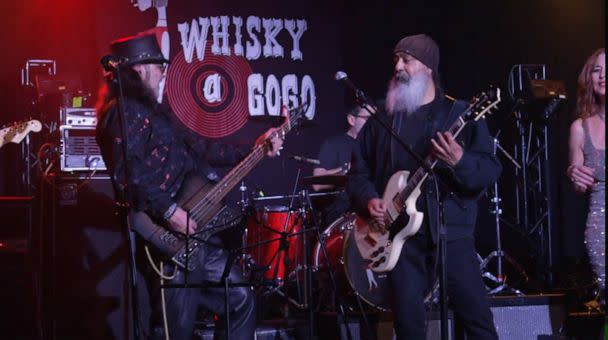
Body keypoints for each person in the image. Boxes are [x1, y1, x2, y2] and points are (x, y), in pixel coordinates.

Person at [95, 34, 283, 340]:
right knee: (176, 329)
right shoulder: (123, 112)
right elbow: (129, 177)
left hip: (197, 231)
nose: (163, 75)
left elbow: (204, 149)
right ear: (140, 70)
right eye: (159, 68)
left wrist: (255, 147)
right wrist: (170, 213)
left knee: (240, 298)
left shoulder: (157, 113)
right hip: (168, 236)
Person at [347, 34, 500, 339]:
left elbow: (489, 170)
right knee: (409, 326)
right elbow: (357, 175)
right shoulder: (383, 119)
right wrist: (369, 200)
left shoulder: (459, 114)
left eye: (407, 59)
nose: (398, 66)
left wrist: (459, 160)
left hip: (452, 233)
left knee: (478, 322)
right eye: (396, 60)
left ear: (429, 67)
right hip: (401, 241)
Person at [567, 48, 605, 305]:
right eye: (597, 70)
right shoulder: (579, 127)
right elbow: (578, 184)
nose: (603, 75)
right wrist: (574, 174)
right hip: (600, 227)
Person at [312, 105, 370, 226]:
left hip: (371, 216)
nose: (372, 123)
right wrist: (345, 170)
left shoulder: (375, 146)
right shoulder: (334, 143)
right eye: (367, 118)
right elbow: (317, 184)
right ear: (352, 120)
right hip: (342, 219)